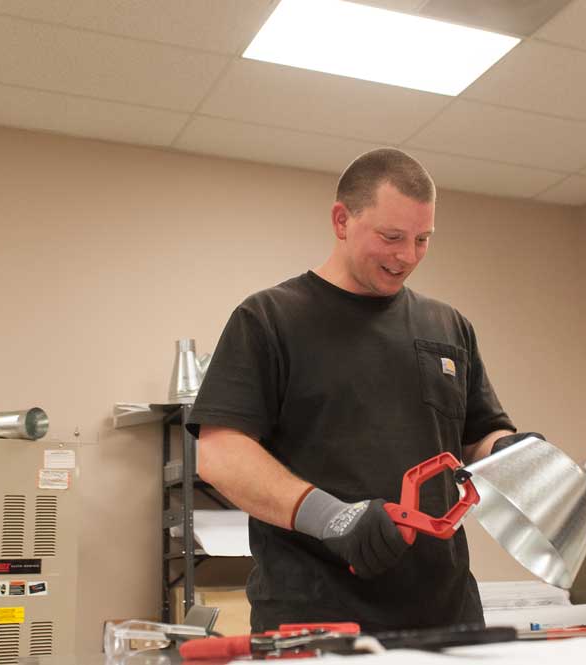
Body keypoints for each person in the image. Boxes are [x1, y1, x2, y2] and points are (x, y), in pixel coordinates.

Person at [187, 148, 531, 633]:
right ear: (341, 220)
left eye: (422, 239)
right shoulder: (268, 318)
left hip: (447, 616)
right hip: (315, 618)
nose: (407, 256)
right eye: (391, 237)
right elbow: (220, 454)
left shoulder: (448, 326)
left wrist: (508, 451)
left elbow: (479, 436)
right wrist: (334, 518)